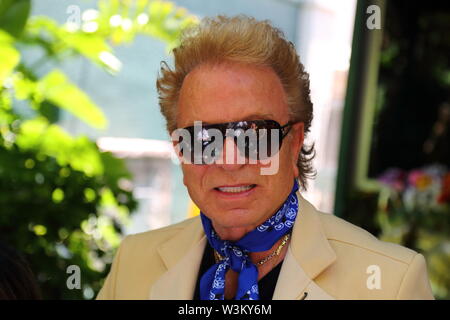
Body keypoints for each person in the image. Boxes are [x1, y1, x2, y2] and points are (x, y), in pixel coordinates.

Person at [96, 15, 434, 300]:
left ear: (294, 143)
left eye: (254, 134)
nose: (229, 161)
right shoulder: (134, 261)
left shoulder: (390, 283)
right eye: (202, 137)